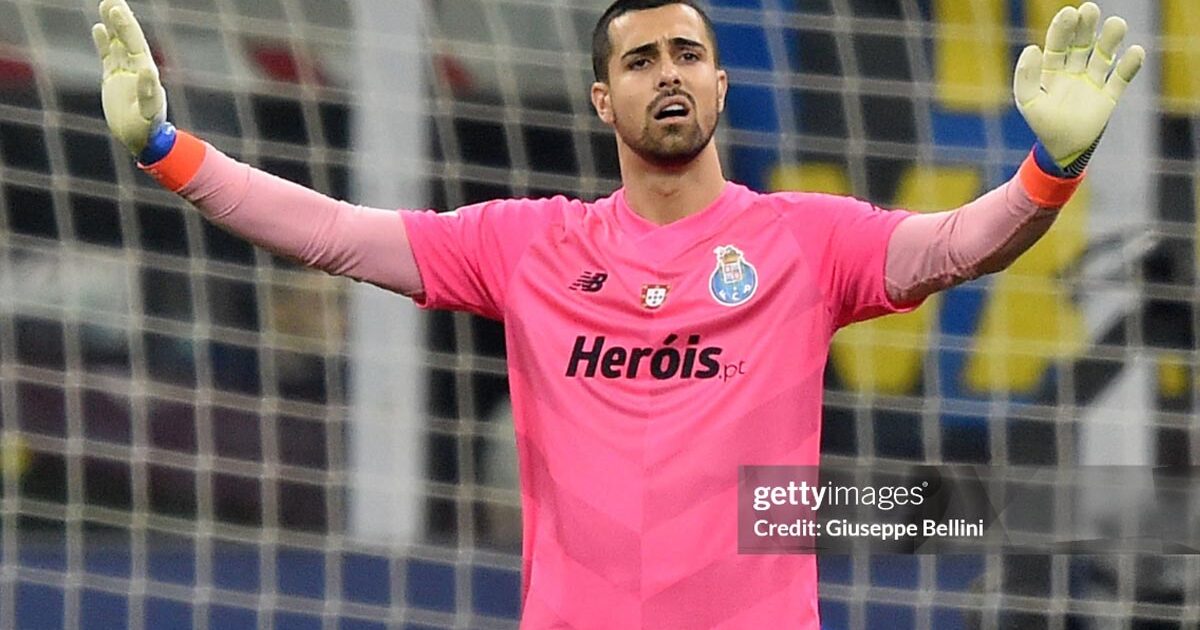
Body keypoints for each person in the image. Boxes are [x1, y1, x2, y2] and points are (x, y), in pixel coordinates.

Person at [90, 0, 1143, 626]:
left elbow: (958, 245)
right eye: (640, 61)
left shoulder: (805, 241)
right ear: (605, 101)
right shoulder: (526, 246)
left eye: (686, 54)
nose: (666, 75)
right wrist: (169, 152)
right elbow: (334, 232)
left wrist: (1049, 170)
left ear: (719, 85)